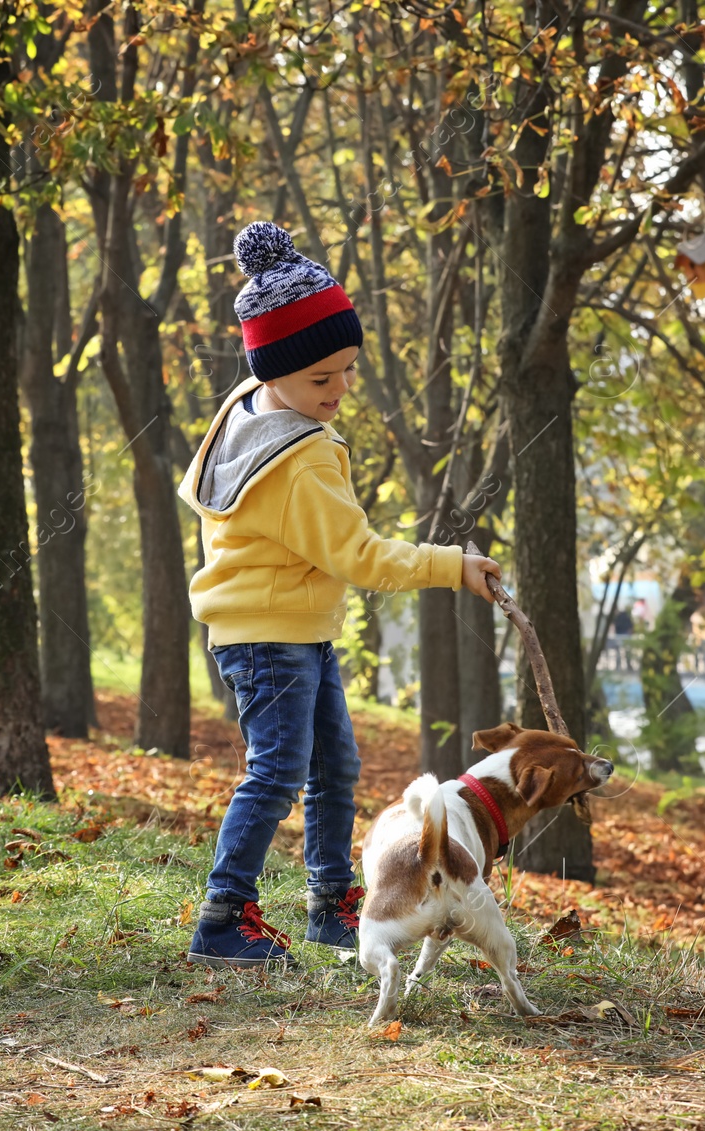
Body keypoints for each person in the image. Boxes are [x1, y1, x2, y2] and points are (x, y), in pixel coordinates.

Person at [177, 221, 503, 968]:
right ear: (275, 372)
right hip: (271, 637)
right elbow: (361, 556)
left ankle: (332, 903)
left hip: (286, 627)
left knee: (334, 768)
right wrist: (453, 564)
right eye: (322, 379)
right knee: (279, 771)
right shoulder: (301, 460)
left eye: (349, 370)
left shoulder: (247, 410)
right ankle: (223, 916)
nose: (340, 390)